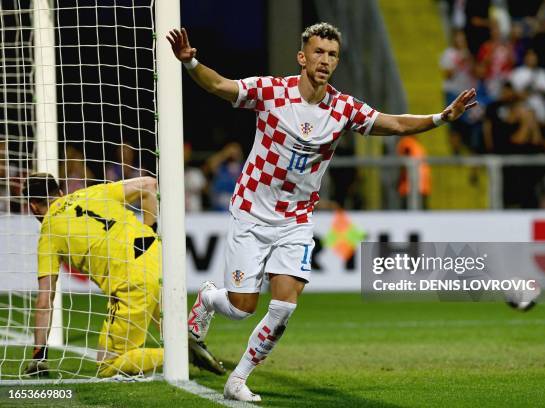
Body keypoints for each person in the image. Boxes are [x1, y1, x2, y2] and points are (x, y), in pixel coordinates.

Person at [167, 23, 476, 402]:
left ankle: (238, 380)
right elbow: (220, 85)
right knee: (241, 307)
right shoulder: (272, 92)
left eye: (332, 55)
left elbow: (394, 124)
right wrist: (191, 62)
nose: (325, 60)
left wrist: (441, 118)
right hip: (252, 212)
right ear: (302, 56)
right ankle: (210, 299)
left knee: (282, 307)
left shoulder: (343, 109)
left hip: (296, 219)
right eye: (318, 52)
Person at [22, 173, 223, 378]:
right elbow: (149, 184)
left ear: (33, 207)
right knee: (172, 329)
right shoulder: (92, 192)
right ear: (61, 192)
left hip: (131, 281)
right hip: (160, 261)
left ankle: (182, 353)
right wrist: (149, 231)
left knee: (108, 364)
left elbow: (45, 300)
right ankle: (197, 324)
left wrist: (39, 356)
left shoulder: (49, 234)